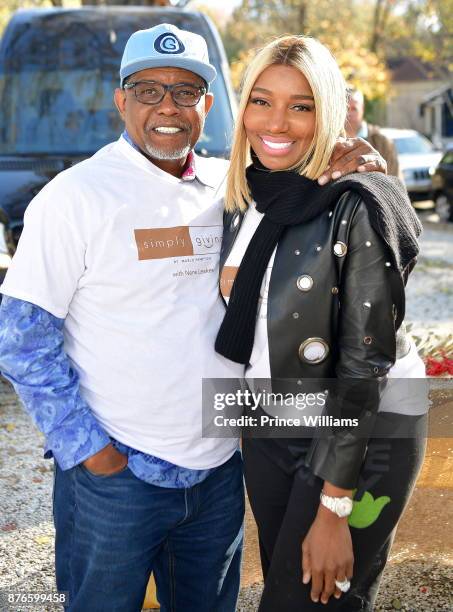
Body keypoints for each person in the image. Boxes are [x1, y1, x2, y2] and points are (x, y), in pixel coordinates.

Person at [0, 24, 387, 612]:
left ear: (208, 104)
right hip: (117, 478)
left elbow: (314, 186)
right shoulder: (74, 196)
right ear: (120, 98)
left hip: (218, 475)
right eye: (149, 90)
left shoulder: (230, 188)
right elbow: (23, 340)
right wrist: (88, 451)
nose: (168, 108)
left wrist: (359, 157)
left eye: (186, 92)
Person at [215, 35, 428, 611]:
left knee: (307, 598)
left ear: (327, 112)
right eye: (261, 100)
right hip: (271, 412)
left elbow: (365, 369)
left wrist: (335, 506)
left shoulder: (355, 201)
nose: (276, 120)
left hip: (363, 423)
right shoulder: (243, 195)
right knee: (292, 591)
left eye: (301, 105)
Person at [346, 87, 400, 178]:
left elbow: (396, 181)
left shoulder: (382, 142)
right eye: (346, 108)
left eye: (354, 108)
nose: (349, 113)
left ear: (362, 108)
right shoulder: (332, 142)